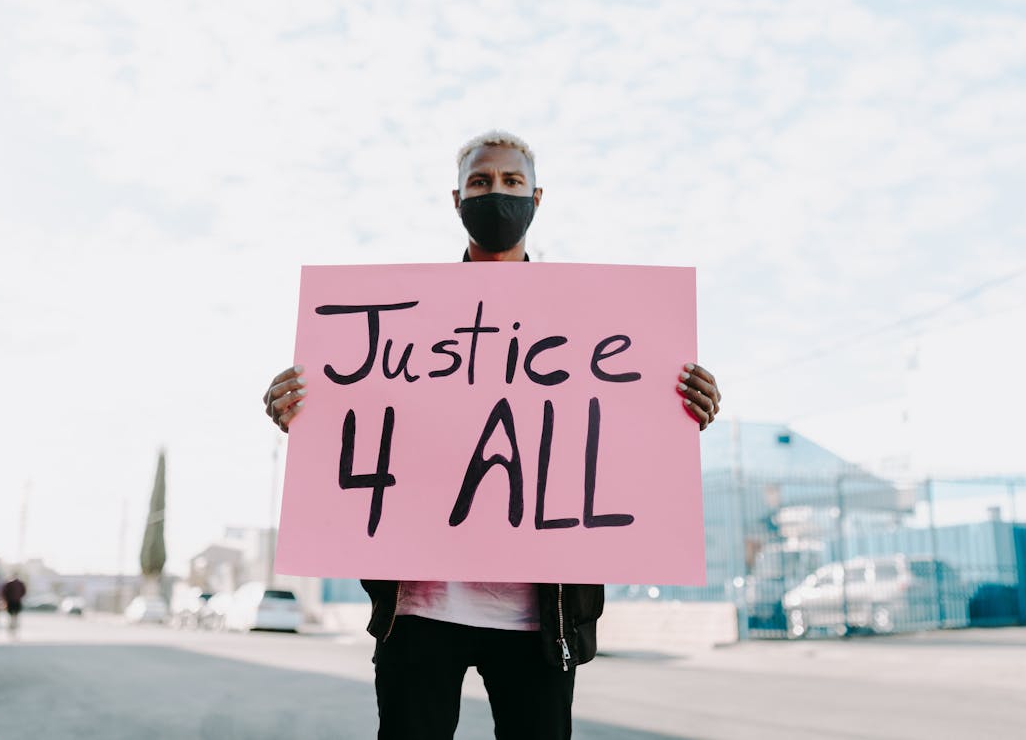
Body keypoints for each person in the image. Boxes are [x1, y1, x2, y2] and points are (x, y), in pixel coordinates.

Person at [263, 130, 721, 739]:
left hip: (541, 619)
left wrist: (684, 408)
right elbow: (361, 416)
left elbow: (620, 439)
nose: (496, 193)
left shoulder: (593, 319)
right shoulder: (406, 317)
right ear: (457, 200)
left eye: (510, 182)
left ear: (537, 196)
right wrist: (300, 406)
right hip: (421, 609)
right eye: (481, 182)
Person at [2, 571, 27, 639]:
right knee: (15, 617)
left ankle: (12, 629)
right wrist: (19, 597)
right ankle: (13, 630)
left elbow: (4, 593)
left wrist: (6, 600)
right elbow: (24, 592)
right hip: (16, 602)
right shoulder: (20, 583)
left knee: (11, 617)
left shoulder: (9, 583)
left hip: (11, 602)